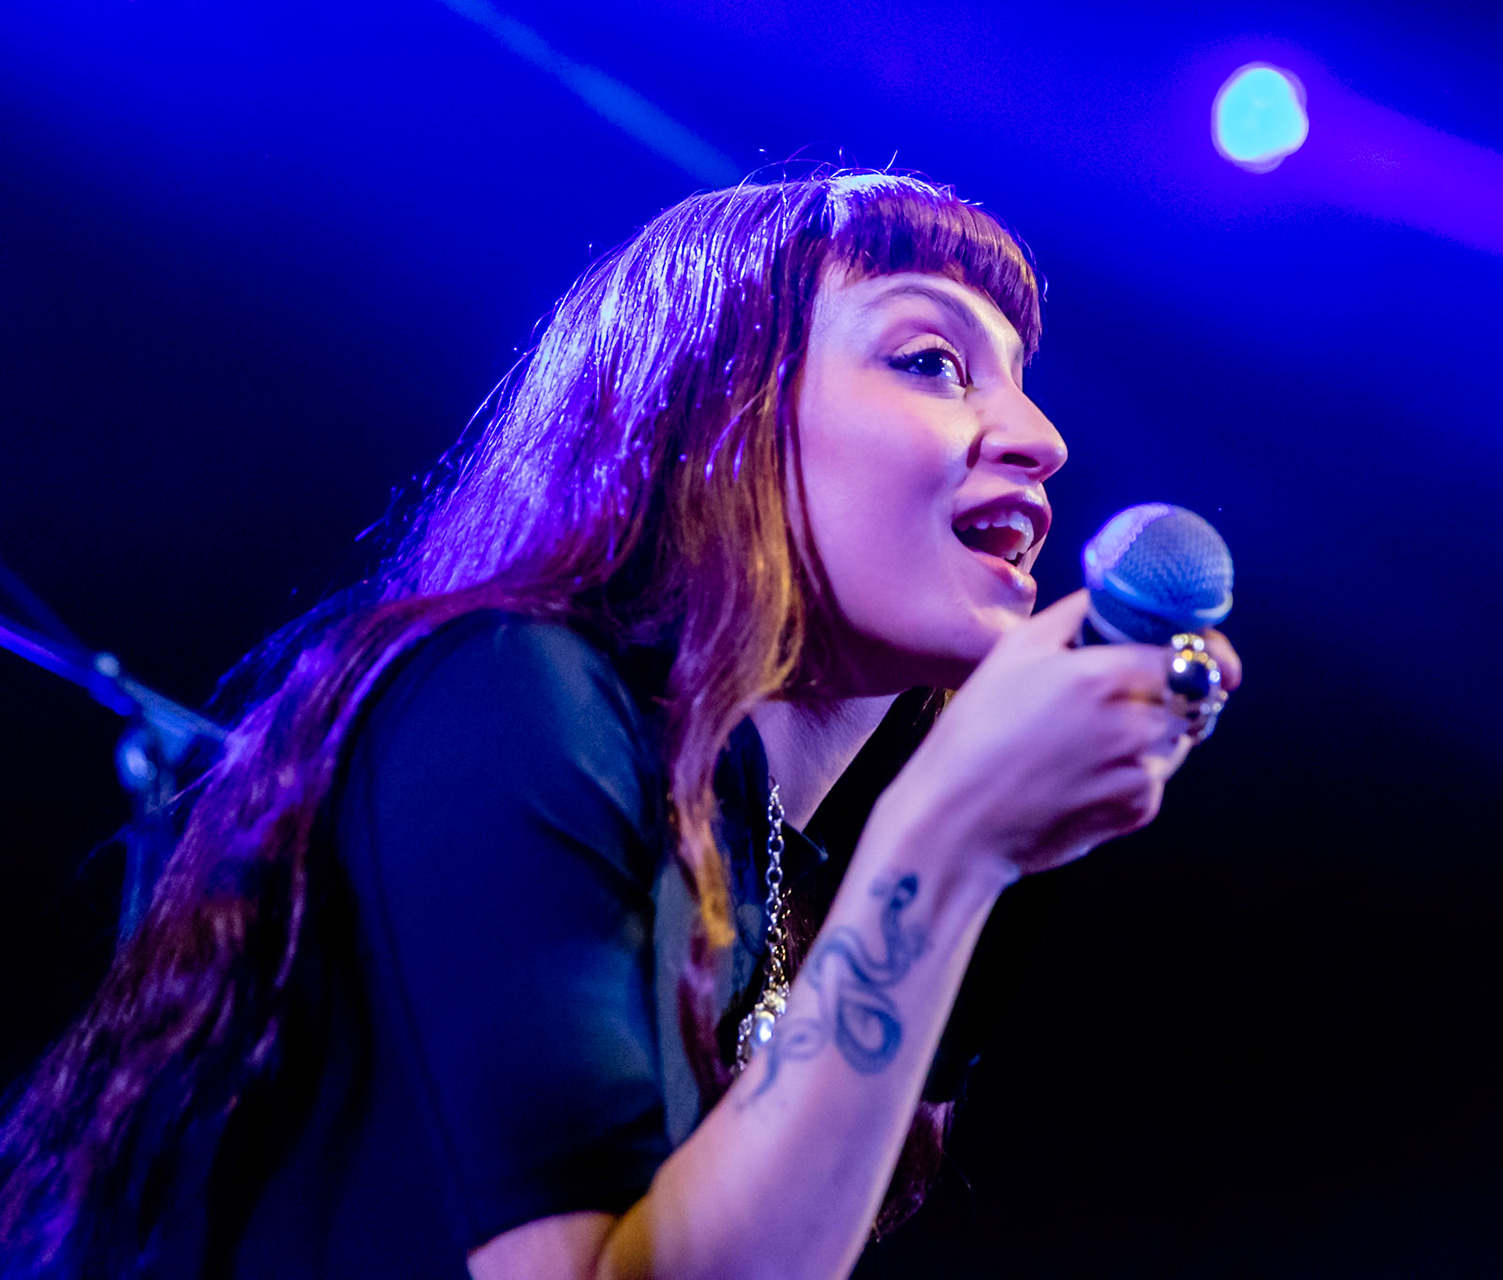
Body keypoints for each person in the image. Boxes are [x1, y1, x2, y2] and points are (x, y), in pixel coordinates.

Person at [0, 171, 1241, 1279]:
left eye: (1022, 382)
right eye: (932, 360)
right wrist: (951, 834)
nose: (1040, 437)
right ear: (718, 421)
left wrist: (999, 860)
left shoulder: (763, 877)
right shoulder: (510, 688)